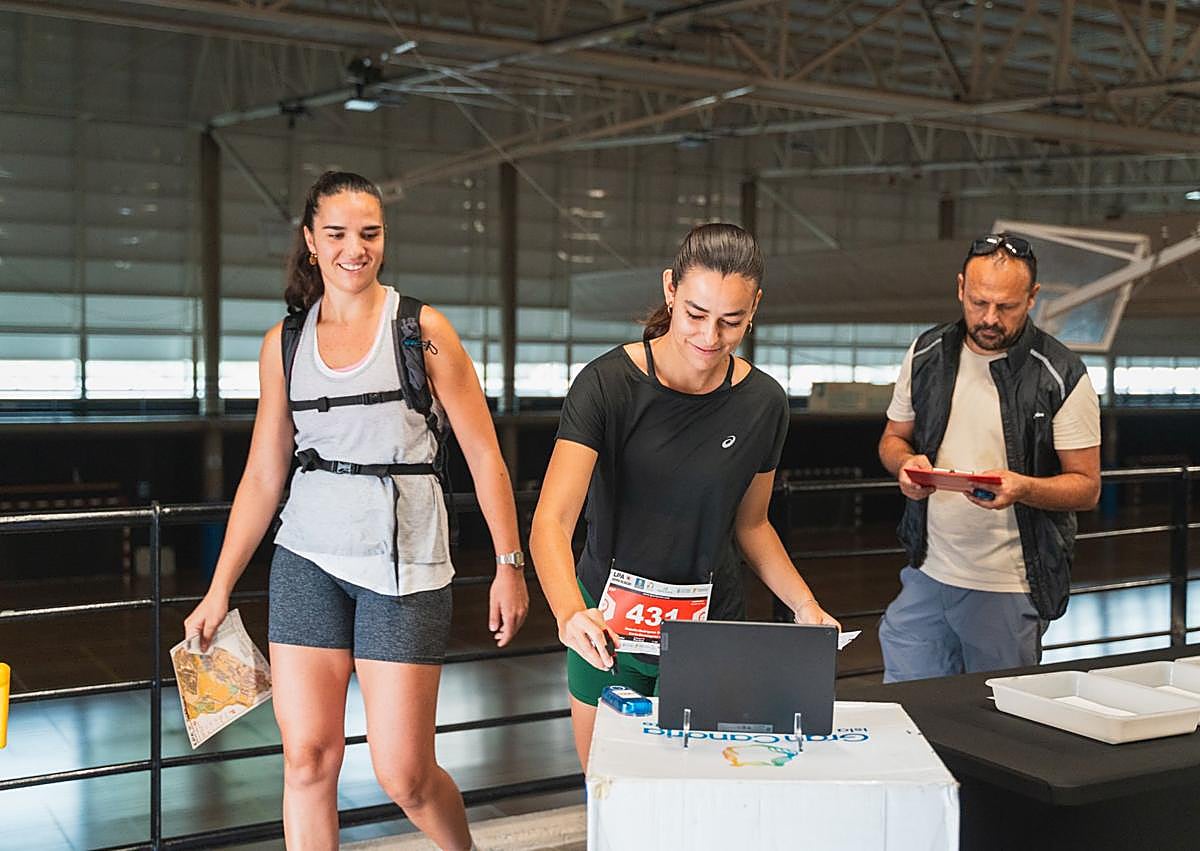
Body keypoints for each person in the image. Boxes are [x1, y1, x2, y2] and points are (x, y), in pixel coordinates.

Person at [183, 171, 528, 851]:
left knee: (404, 773)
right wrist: (219, 587)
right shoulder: (284, 344)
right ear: (310, 241)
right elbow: (261, 473)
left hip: (406, 568)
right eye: (337, 233)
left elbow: (487, 457)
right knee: (306, 758)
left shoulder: (420, 330)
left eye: (369, 233)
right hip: (307, 559)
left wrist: (508, 563)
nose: (354, 248)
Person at [529, 223, 838, 770]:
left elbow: (753, 526)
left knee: (701, 801)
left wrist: (805, 606)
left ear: (755, 307)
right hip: (607, 633)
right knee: (614, 800)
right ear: (670, 289)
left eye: (731, 321)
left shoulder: (764, 402)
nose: (710, 337)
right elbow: (551, 521)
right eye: (695, 314)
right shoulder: (605, 385)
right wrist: (569, 613)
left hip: (710, 634)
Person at [877, 232, 1101, 683]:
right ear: (960, 287)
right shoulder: (926, 353)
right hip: (927, 571)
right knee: (908, 710)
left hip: (1008, 586)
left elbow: (1087, 486)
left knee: (995, 726)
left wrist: (1023, 488)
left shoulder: (1060, 373)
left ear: (1033, 298)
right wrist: (905, 465)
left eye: (1007, 306)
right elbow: (891, 440)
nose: (990, 318)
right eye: (979, 302)